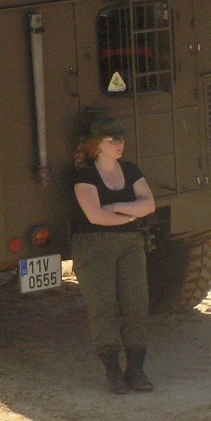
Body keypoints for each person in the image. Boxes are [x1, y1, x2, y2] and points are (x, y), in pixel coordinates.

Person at [72, 110, 157, 394]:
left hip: (130, 243)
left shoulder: (130, 170)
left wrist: (117, 209)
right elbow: (95, 216)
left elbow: (149, 205)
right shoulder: (85, 175)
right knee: (103, 308)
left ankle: (136, 369)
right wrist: (131, 215)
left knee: (136, 304)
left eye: (121, 139)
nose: (119, 144)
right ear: (96, 144)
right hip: (94, 246)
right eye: (112, 140)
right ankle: (112, 371)